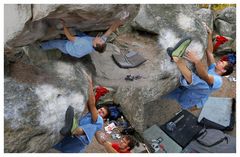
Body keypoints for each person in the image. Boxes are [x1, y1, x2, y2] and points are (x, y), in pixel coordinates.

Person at [166, 24, 234, 111]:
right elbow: (209, 52)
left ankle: (177, 58)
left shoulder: (218, 81)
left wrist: (196, 61)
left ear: (223, 70)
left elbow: (205, 76)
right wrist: (210, 34)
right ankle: (177, 56)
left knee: (203, 84)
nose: (220, 61)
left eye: (222, 63)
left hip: (191, 100)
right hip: (189, 91)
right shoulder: (213, 68)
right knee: (198, 75)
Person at [53, 75, 110, 153]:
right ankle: (72, 127)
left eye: (102, 113)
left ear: (104, 119)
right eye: (100, 109)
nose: (100, 111)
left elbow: (92, 104)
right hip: (73, 138)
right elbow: (89, 102)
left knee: (93, 126)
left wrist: (89, 83)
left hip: (79, 139)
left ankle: (73, 129)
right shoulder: (90, 115)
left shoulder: (99, 121)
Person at [40, 19, 125, 58]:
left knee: (55, 43)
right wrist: (117, 23)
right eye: (101, 40)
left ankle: (41, 46)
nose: (100, 38)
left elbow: (69, 37)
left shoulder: (84, 42)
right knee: (81, 34)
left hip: (69, 49)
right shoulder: (98, 42)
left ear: (95, 44)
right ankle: (77, 31)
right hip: (80, 47)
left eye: (99, 40)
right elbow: (110, 30)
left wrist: (64, 25)